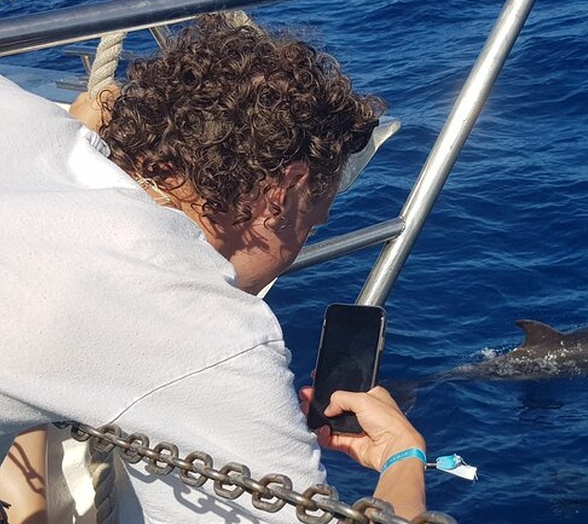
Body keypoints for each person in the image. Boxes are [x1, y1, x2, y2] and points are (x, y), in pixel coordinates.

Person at [0, 14, 427, 524]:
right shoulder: (194, 321)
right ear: (283, 191)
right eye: (311, 224)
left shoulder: (19, 111)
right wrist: (404, 459)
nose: (297, 249)